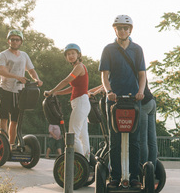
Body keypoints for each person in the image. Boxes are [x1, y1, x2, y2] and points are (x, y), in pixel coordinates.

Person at [99, 15, 147, 188]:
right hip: (114, 100)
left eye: (125, 28)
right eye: (119, 28)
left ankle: (134, 177)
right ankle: (115, 177)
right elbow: (104, 75)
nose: (122, 31)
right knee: (115, 140)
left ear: (130, 30)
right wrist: (109, 91)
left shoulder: (137, 49)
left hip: (134, 99)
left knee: (134, 140)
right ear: (115, 30)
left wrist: (140, 92)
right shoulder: (108, 49)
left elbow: (142, 75)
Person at [0, 29, 42, 146]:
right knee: (4, 117)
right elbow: (1, 71)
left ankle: (11, 145)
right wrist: (17, 77)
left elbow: (31, 70)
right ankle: (3, 143)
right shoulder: (3, 54)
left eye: (17, 40)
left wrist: (37, 79)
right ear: (8, 41)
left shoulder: (24, 55)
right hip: (5, 89)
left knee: (15, 119)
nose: (15, 42)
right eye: (12, 39)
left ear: (20, 42)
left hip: (19, 91)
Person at [44, 43, 91, 158]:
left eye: (73, 53)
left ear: (78, 55)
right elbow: (72, 88)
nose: (70, 56)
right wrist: (57, 93)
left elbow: (66, 81)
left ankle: (80, 161)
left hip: (81, 102)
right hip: (80, 102)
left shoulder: (79, 66)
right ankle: (88, 160)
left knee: (72, 135)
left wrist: (51, 91)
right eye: (68, 54)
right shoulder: (77, 68)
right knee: (82, 136)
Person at [138, 81, 158, 167]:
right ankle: (152, 167)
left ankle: (143, 168)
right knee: (152, 139)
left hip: (143, 104)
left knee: (142, 139)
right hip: (151, 101)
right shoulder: (140, 69)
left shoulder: (131, 72)